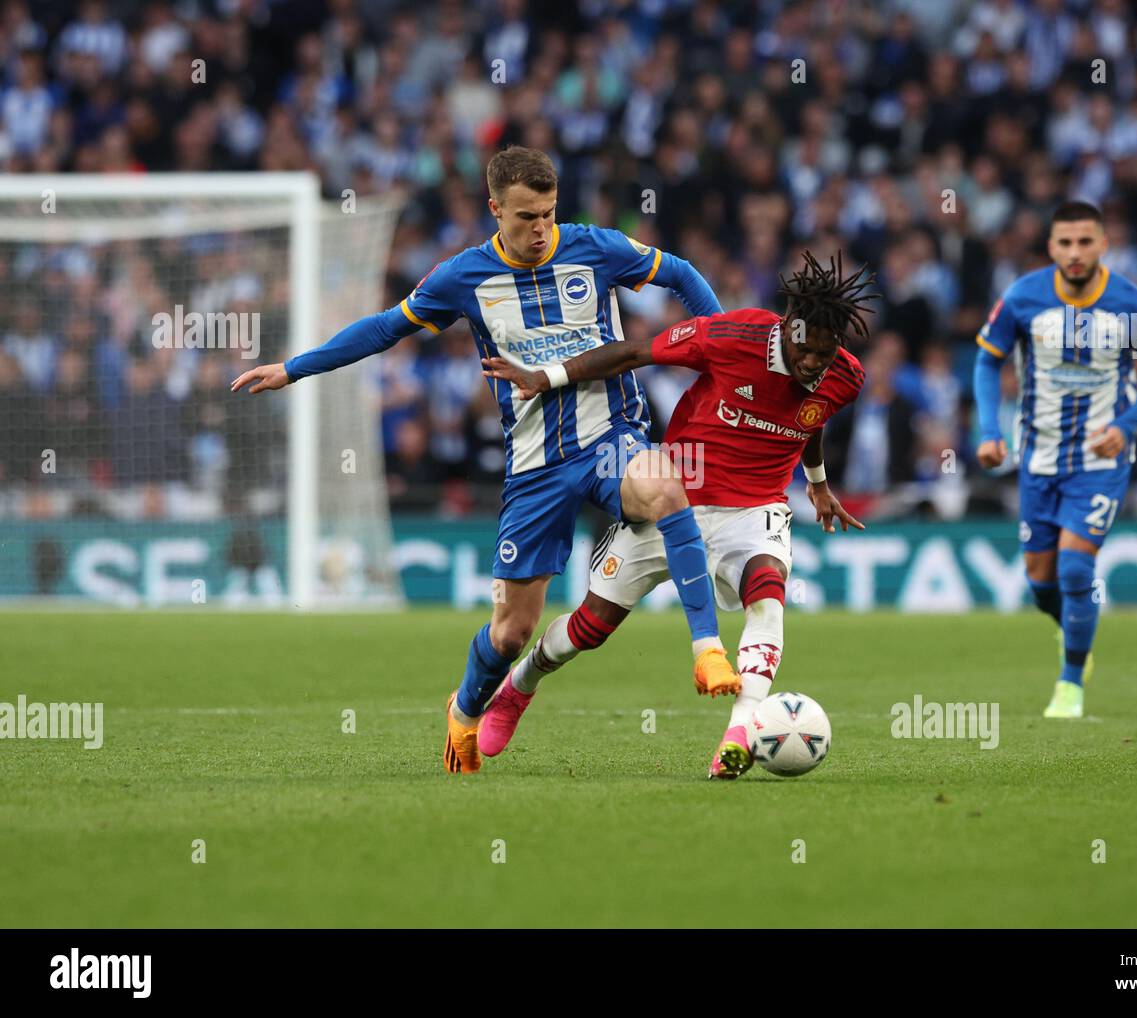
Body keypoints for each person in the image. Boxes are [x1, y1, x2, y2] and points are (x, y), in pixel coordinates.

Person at [231, 146, 740, 773]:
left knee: (666, 487)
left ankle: (708, 647)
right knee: (510, 634)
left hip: (612, 439)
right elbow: (386, 328)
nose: (539, 230)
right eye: (525, 217)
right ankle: (466, 709)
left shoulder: (597, 248)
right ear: (494, 208)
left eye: (549, 215)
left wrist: (724, 350)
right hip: (535, 468)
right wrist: (294, 367)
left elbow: (683, 275)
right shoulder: (463, 278)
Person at [480, 251, 874, 778]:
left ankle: (740, 733)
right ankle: (519, 685)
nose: (812, 364)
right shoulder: (732, 336)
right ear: (787, 328)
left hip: (755, 507)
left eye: (823, 356)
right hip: (674, 496)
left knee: (768, 594)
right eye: (805, 350)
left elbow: (812, 417)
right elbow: (634, 353)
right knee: (590, 628)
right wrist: (546, 378)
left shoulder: (844, 376)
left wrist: (818, 483)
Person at [973, 200, 1137, 718]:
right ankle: (1075, 631)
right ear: (1050, 246)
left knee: (1072, 568)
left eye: (1085, 241)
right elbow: (986, 359)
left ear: (1103, 243)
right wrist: (989, 429)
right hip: (1038, 457)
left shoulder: (1131, 306)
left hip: (1100, 458)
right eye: (1065, 243)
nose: (1075, 253)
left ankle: (1070, 682)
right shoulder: (1025, 298)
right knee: (1040, 583)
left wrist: (1126, 426)